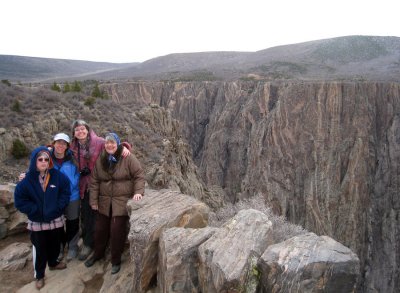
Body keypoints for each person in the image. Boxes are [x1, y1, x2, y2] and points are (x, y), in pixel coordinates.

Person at [69, 120, 131, 261]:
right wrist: (48, 149)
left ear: (88, 129)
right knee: (86, 215)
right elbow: (57, 150)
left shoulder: (98, 142)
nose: (80, 131)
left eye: (82, 128)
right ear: (74, 133)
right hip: (84, 185)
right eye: (77, 130)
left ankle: (98, 245)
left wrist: (125, 147)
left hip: (101, 184)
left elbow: (113, 145)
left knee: (99, 216)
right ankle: (87, 244)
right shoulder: (72, 146)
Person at [84, 132, 145, 274]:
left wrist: (138, 192)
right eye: (107, 143)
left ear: (117, 143)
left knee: (117, 230)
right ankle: (97, 254)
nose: (109, 145)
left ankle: (115, 260)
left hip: (121, 201)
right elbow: (94, 182)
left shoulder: (127, 157)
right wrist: (93, 201)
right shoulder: (102, 159)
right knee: (99, 230)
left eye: (112, 142)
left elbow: (139, 175)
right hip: (104, 201)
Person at [14, 146, 70, 290]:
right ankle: (39, 275)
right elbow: (20, 200)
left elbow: (65, 191)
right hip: (37, 221)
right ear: (35, 161)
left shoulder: (57, 176)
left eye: (46, 159)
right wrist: (34, 210)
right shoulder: (26, 180)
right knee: (40, 248)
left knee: (55, 244)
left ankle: (53, 263)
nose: (44, 162)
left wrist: (58, 208)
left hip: (54, 218)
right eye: (40, 159)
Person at [51, 133, 80, 261]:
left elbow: (78, 174)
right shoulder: (47, 159)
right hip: (54, 197)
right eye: (58, 142)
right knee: (56, 224)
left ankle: (73, 247)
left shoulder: (73, 158)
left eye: (64, 143)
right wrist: (25, 174)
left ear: (67, 146)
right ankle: (59, 248)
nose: (61, 145)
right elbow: (37, 169)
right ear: (53, 144)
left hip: (72, 195)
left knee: (73, 222)